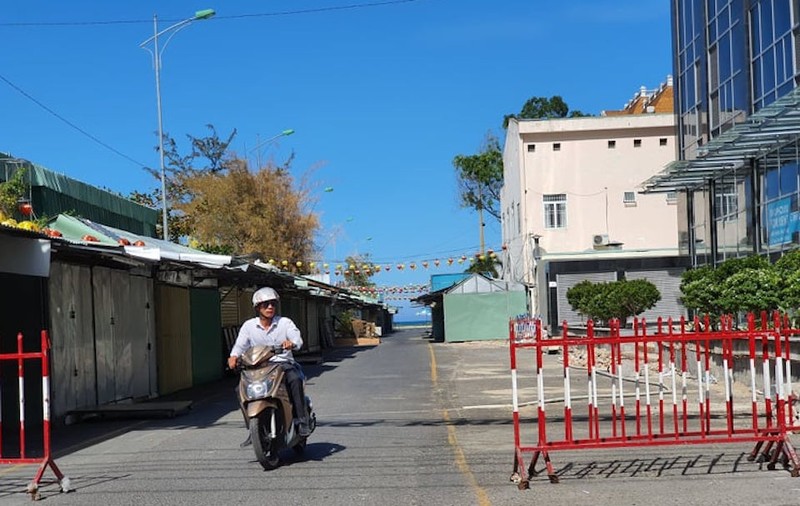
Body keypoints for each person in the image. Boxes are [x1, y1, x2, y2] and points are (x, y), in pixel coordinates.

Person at [228, 286, 310, 447]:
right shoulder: (249, 326)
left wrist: (291, 343)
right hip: (259, 368)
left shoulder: (284, 323)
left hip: (283, 364)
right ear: (258, 308)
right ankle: (253, 429)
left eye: (272, 304)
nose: (270, 307)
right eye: (265, 304)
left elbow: (297, 340)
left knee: (294, 379)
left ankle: (301, 421)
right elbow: (240, 346)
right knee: (240, 389)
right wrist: (233, 356)